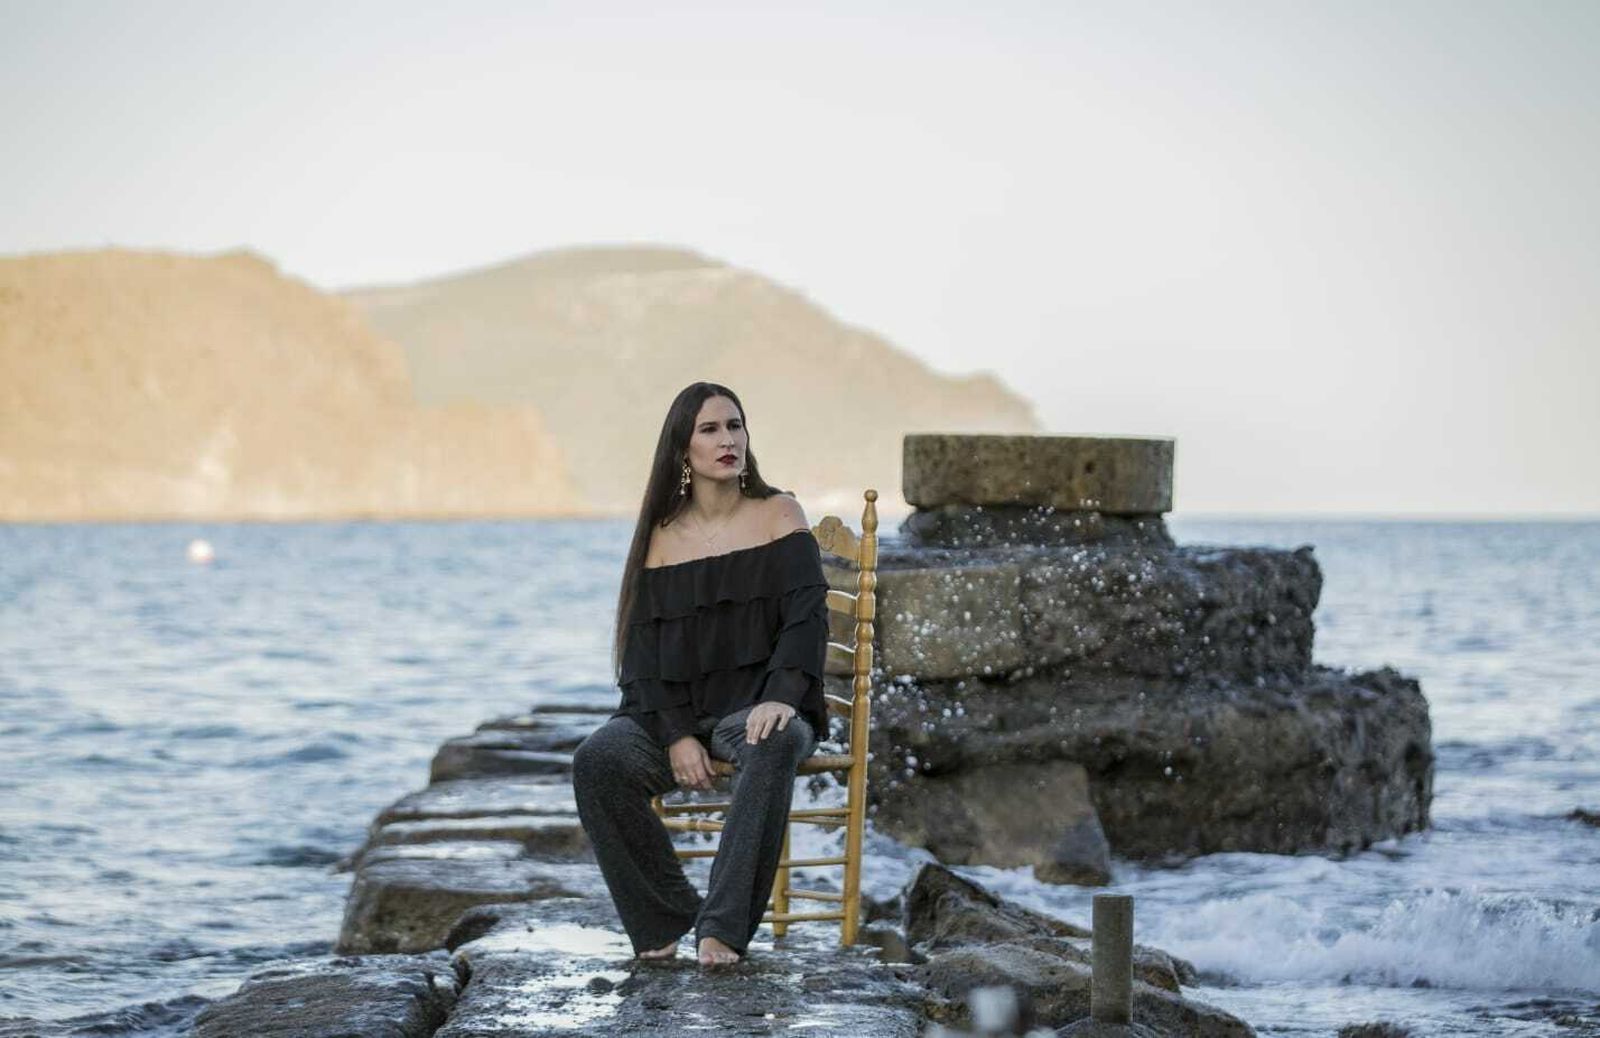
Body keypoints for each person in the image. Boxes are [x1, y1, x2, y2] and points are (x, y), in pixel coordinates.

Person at [571, 382, 830, 967]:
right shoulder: (661, 536)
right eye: (710, 430)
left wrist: (783, 695)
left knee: (771, 743)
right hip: (679, 715)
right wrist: (676, 735)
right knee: (598, 762)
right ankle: (661, 919)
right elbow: (642, 656)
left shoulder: (778, 513)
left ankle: (722, 930)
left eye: (735, 426)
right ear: (682, 450)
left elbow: (807, 618)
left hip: (760, 708)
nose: (727, 440)